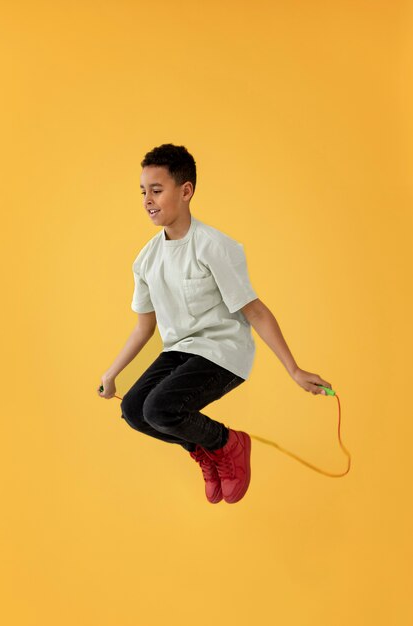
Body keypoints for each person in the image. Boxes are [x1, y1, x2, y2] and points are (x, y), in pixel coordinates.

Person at [97, 143, 332, 505]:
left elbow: (255, 311)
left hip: (222, 353)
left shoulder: (214, 247)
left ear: (186, 191)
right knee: (132, 411)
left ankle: (227, 443)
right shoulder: (146, 260)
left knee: (158, 408)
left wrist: (294, 369)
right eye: (143, 191)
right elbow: (144, 326)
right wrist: (112, 373)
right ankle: (207, 450)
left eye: (157, 190)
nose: (147, 199)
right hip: (180, 352)